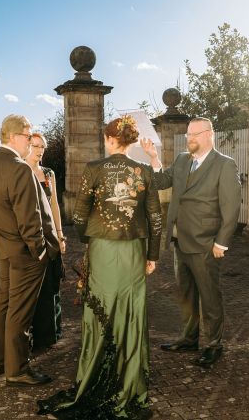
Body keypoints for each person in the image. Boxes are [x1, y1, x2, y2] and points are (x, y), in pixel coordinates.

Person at [38, 115, 161, 419]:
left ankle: (95, 374)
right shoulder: (144, 171)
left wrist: (88, 239)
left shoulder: (94, 169)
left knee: (102, 311)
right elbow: (156, 219)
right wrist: (152, 256)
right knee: (130, 312)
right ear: (132, 141)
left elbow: (79, 216)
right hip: (133, 252)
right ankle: (130, 382)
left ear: (108, 139)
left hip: (103, 249)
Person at [141, 116, 241, 368]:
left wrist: (221, 243)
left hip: (206, 243)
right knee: (185, 294)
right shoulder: (183, 160)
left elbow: (231, 208)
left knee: (209, 297)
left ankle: (213, 345)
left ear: (210, 134)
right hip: (179, 241)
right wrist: (153, 158)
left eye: (195, 134)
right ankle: (189, 338)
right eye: (188, 134)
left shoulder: (224, 165)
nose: (190, 139)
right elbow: (161, 181)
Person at [0, 114, 60, 387]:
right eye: (28, 136)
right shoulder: (19, 168)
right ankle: (17, 369)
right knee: (20, 312)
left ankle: (1, 359)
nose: (30, 141)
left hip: (4, 249)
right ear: (14, 137)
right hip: (25, 253)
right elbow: (30, 218)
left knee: (4, 305)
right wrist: (39, 251)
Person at [24, 132, 66, 352]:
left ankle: (51, 332)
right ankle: (31, 333)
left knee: (52, 282)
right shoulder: (20, 171)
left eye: (42, 147)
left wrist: (60, 235)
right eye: (35, 146)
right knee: (33, 286)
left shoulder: (48, 173)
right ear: (27, 146)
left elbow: (55, 204)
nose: (39, 150)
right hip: (29, 237)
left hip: (50, 236)